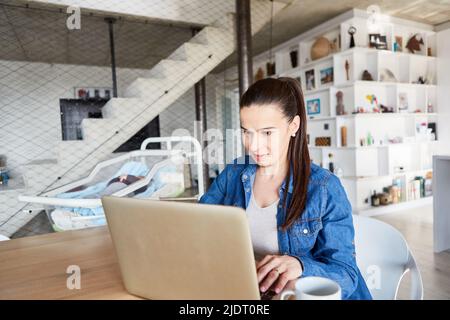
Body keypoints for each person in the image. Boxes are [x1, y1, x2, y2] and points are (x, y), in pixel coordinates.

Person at [199, 77, 372, 300]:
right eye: (246, 132)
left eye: (267, 132)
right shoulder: (233, 174)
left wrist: (301, 265)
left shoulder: (325, 188)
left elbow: (346, 274)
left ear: (294, 126)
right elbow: (200, 231)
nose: (254, 145)